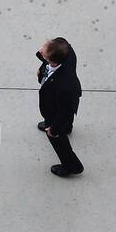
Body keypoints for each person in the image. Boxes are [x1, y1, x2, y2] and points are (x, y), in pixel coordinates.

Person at [36, 37, 83, 177]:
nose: (40, 51)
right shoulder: (64, 47)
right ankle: (67, 127)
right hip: (60, 101)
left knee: (57, 139)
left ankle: (72, 165)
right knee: (64, 122)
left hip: (57, 109)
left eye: (44, 54)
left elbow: (65, 111)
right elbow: (52, 49)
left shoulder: (64, 86)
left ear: (53, 61)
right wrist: (42, 67)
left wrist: (54, 129)